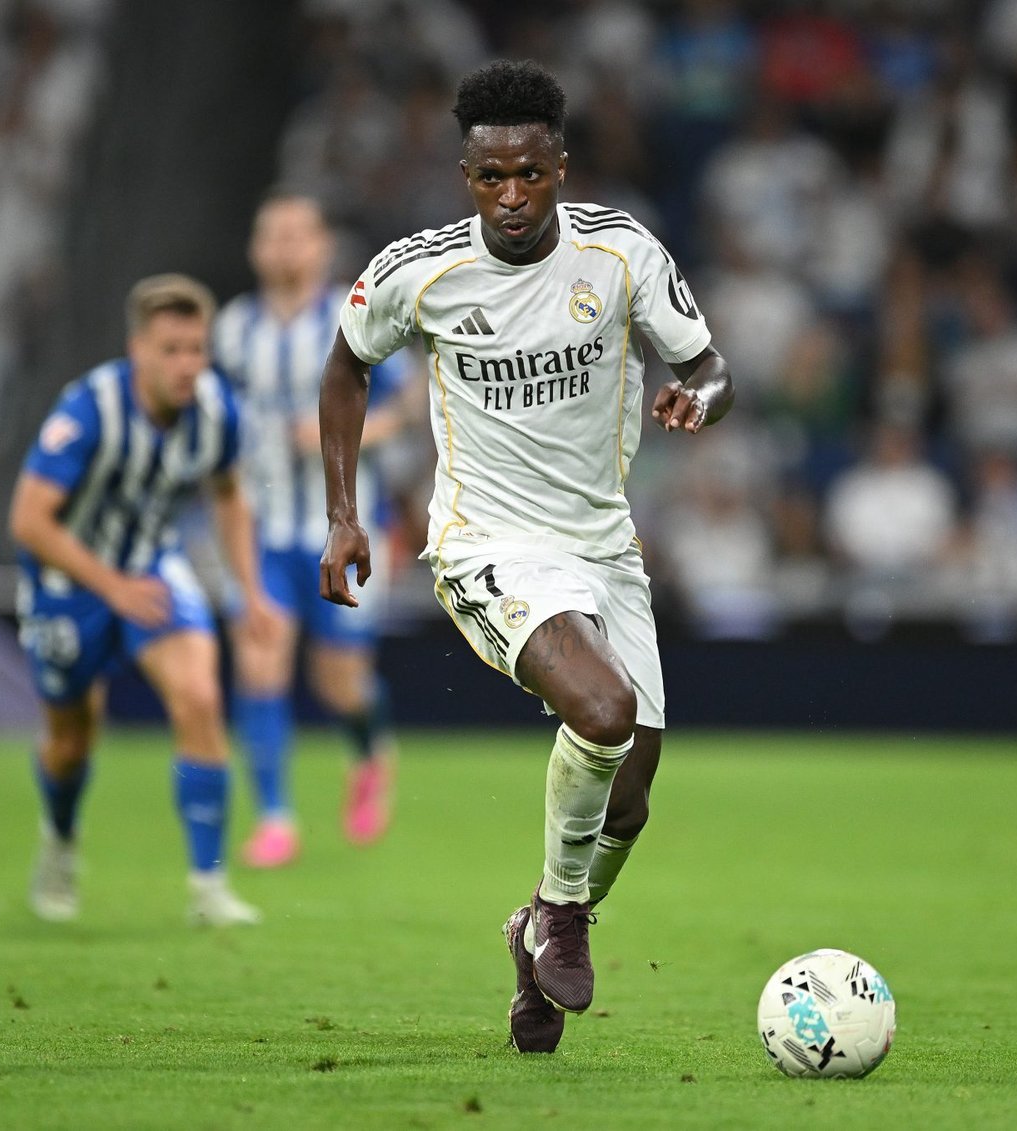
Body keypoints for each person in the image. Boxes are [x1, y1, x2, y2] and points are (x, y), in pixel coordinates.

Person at [318, 60, 733, 1052]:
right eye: (491, 178)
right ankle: (561, 913)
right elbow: (344, 367)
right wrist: (342, 514)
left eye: (530, 175)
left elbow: (710, 366)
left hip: (604, 544)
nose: (511, 197)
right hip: (488, 543)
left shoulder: (620, 252)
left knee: (629, 798)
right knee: (604, 708)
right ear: (466, 176)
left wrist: (699, 398)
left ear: (561, 168)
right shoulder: (419, 270)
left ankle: (536, 942)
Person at [9, 274, 277, 927]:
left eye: (196, 349)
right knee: (72, 739)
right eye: (171, 350)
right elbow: (29, 521)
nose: (187, 364)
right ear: (138, 350)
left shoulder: (216, 410)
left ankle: (208, 887)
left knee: (200, 698)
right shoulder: (88, 410)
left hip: (153, 568)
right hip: (69, 583)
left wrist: (251, 589)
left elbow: (228, 495)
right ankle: (59, 841)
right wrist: (112, 587)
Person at [213, 194, 414, 867]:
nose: (284, 246)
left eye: (297, 234)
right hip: (261, 528)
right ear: (255, 247)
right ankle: (275, 817)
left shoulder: (352, 316)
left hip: (344, 526)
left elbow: (407, 403)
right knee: (259, 659)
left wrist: (345, 432)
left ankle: (370, 751)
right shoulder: (234, 329)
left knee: (338, 681)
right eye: (272, 234)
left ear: (323, 246)